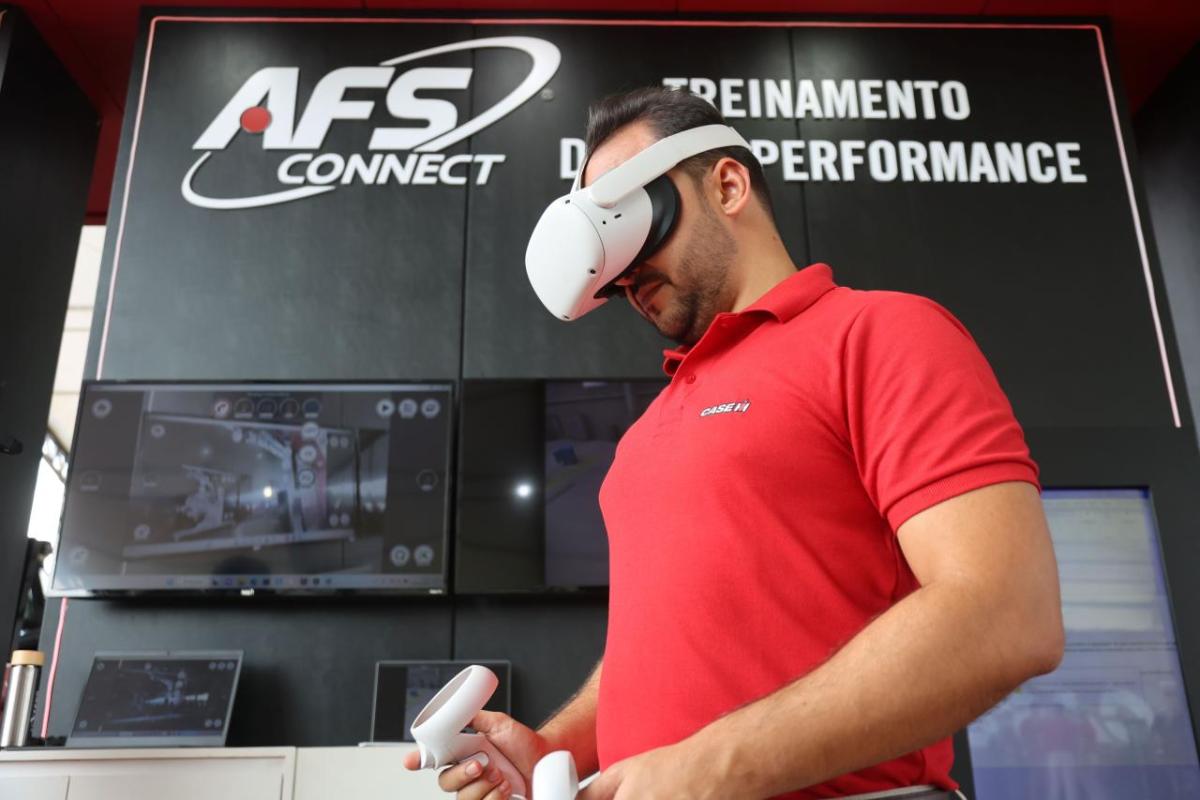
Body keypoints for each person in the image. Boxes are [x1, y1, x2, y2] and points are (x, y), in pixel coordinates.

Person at [404, 86, 1065, 800]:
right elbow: (674, 648)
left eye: (632, 223)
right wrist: (556, 748)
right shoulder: (645, 434)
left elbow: (1006, 612)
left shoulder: (879, 334)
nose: (625, 276)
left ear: (726, 184)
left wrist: (712, 769)